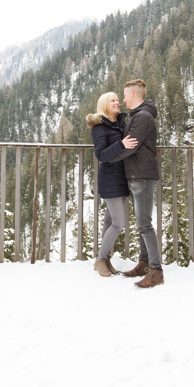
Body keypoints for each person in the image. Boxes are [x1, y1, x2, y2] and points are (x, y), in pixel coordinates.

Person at [113, 78, 163, 288]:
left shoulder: (142, 117)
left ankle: (156, 271)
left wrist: (108, 156)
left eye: (125, 95)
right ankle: (144, 263)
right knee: (142, 223)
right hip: (137, 174)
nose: (123, 100)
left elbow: (130, 146)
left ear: (133, 95)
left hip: (141, 176)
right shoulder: (139, 115)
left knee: (144, 224)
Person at [86, 92, 137, 277]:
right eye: (113, 100)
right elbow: (101, 154)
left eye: (117, 100)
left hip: (121, 177)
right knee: (118, 223)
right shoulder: (100, 127)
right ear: (105, 105)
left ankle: (105, 260)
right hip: (110, 178)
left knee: (109, 221)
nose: (117, 103)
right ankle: (100, 259)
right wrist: (122, 144)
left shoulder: (120, 124)